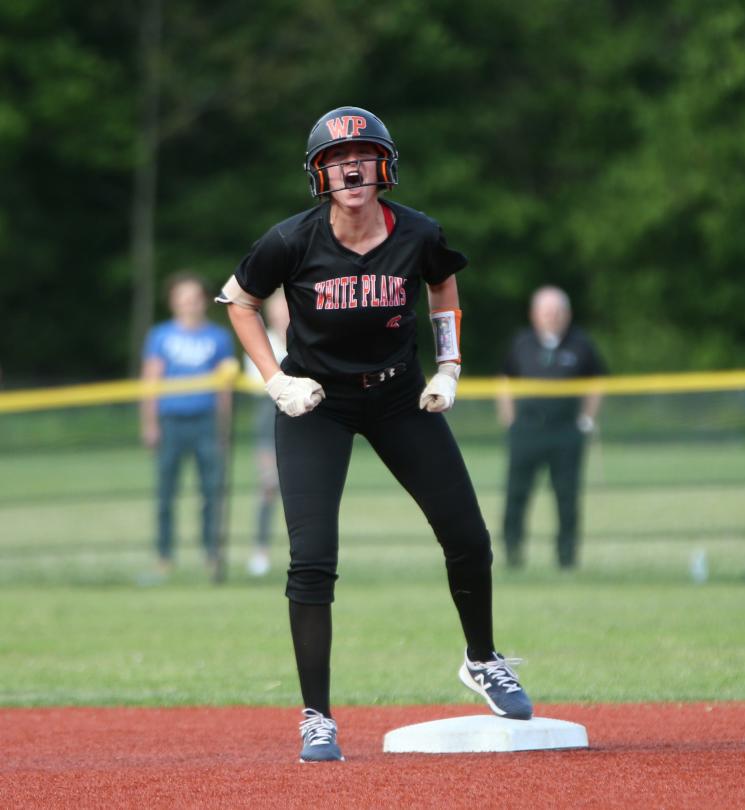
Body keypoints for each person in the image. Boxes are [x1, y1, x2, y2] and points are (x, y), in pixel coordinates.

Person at [216, 106, 533, 763]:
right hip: (317, 404)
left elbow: (443, 282)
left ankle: (481, 659)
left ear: (385, 165)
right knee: (313, 558)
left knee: (468, 535)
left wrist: (449, 365)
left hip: (397, 395)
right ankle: (317, 716)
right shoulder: (292, 240)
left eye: (363, 154)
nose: (352, 167)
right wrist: (275, 378)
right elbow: (240, 301)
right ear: (318, 174)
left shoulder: (417, 233)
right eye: (336, 159)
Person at [498, 286, 606, 569]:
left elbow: (596, 383)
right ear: (535, 315)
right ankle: (512, 556)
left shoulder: (580, 343)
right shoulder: (522, 343)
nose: (552, 316)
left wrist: (587, 420)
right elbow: (504, 382)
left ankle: (566, 559)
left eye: (557, 311)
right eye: (546, 311)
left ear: (567, 314)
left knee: (567, 498)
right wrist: (510, 421)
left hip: (566, 433)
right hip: (527, 431)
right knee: (516, 494)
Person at [140, 271, 234, 580]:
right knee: (165, 494)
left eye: (194, 298)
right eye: (183, 299)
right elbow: (150, 382)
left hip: (205, 422)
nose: (189, 304)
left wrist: (224, 428)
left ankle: (212, 556)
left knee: (212, 492)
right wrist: (150, 423)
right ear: (173, 303)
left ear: (204, 302)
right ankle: (164, 557)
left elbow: (224, 391)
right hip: (171, 422)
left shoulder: (218, 338)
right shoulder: (160, 336)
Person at [242, 291, 290, 577]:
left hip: (305, 421)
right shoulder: (262, 342)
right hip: (269, 423)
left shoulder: (307, 338)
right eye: (277, 313)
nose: (282, 317)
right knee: (268, 487)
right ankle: (260, 551)